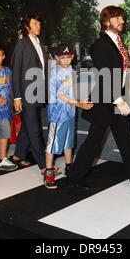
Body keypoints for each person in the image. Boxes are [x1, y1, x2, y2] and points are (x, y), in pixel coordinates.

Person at [66, 6, 130, 191]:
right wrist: (118, 100)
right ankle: (75, 176)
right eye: (117, 17)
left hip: (116, 97)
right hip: (106, 99)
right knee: (94, 141)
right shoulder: (100, 45)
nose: (122, 20)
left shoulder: (118, 42)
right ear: (106, 21)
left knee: (126, 139)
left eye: (122, 17)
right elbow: (105, 75)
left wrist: (122, 97)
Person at [44, 43, 93, 189]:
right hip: (58, 113)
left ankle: (69, 167)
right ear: (57, 57)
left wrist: (78, 101)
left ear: (72, 57)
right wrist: (79, 104)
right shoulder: (56, 73)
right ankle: (49, 172)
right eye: (62, 57)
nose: (66, 60)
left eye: (68, 57)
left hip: (70, 112)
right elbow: (61, 95)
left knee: (68, 141)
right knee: (52, 143)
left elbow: (71, 91)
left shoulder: (71, 69)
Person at [10, 14, 49, 173]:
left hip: (38, 92)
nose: (38, 26)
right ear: (27, 27)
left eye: (39, 23)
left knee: (28, 126)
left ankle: (18, 155)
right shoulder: (21, 45)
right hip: (26, 94)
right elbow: (16, 71)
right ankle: (44, 166)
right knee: (34, 129)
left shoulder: (41, 45)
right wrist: (17, 96)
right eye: (34, 23)